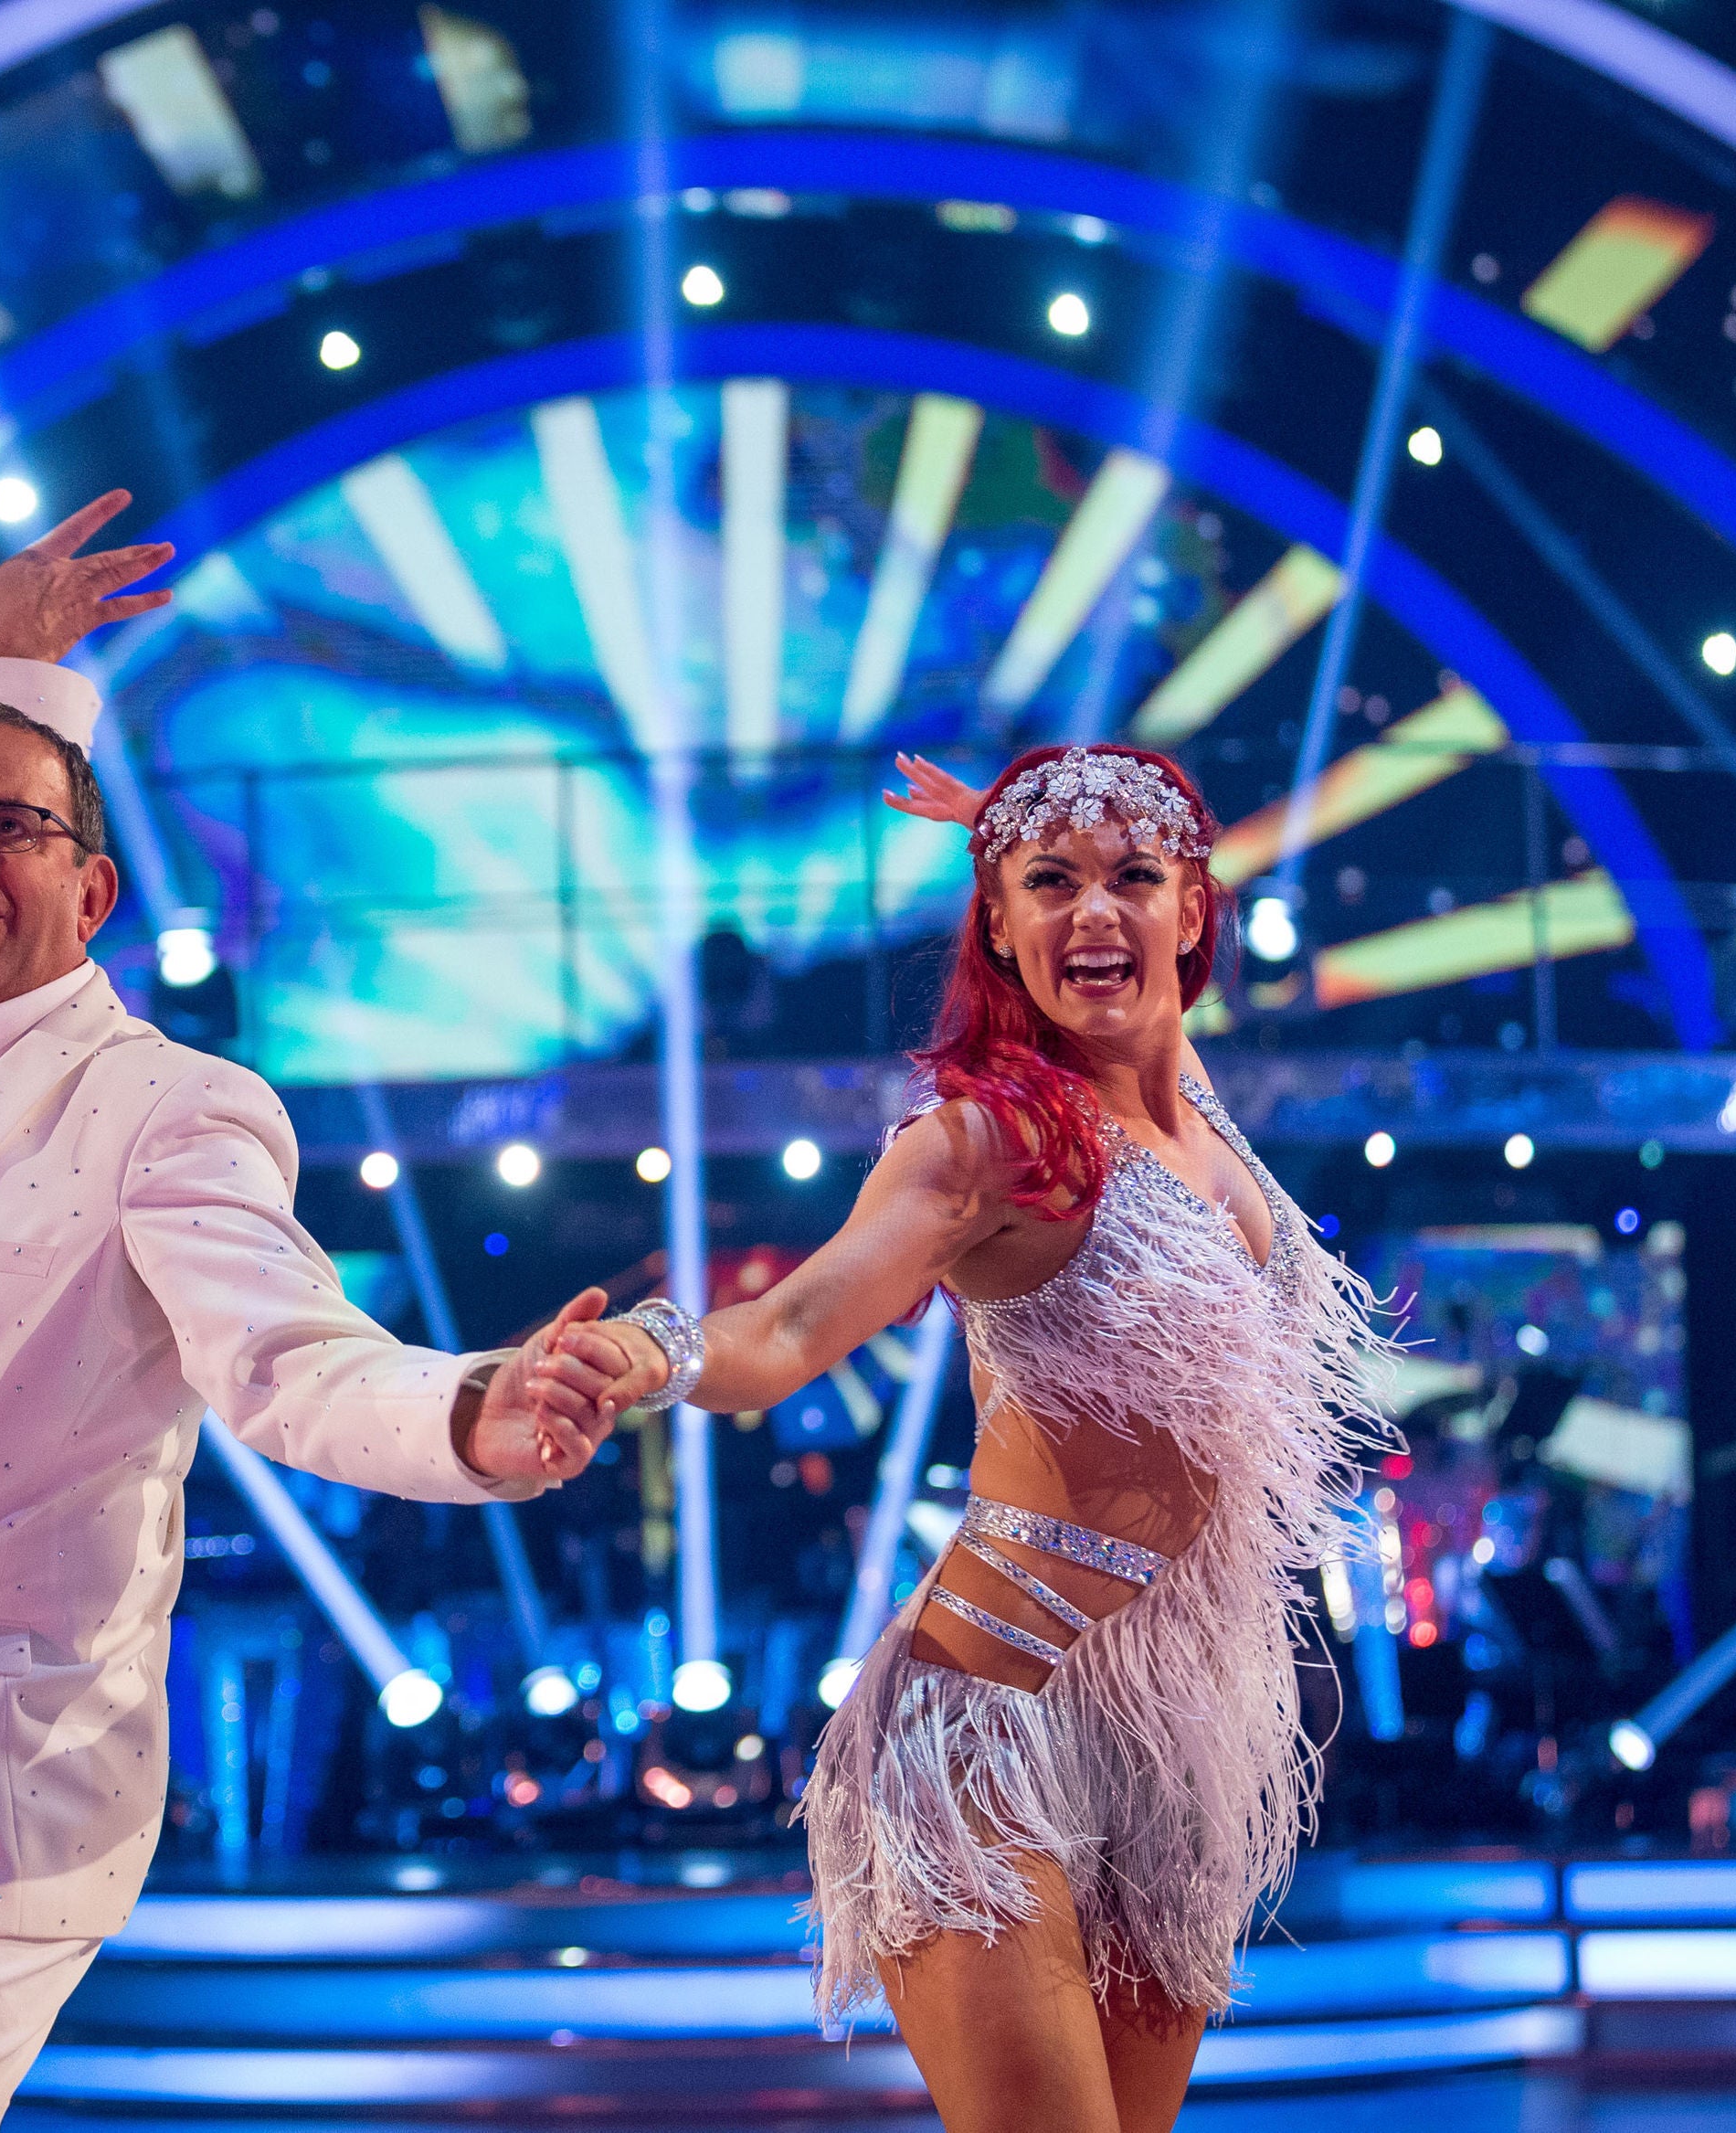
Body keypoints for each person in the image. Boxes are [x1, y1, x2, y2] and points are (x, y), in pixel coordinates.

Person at [0, 490, 630, 2131]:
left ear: (94, 900)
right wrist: (10, 670)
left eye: (14, 832)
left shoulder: (168, 1108)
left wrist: (463, 1410)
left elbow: (288, 1355)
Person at [587, 744, 1392, 2133]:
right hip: (985, 1735)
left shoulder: (1198, 1121)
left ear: (1195, 911)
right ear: (998, 929)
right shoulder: (987, 1145)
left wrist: (1028, 827)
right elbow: (784, 1331)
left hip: (1168, 1747)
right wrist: (645, 1349)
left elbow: (1109, 928)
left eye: (1135, 880)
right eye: (1051, 889)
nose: (1097, 913)